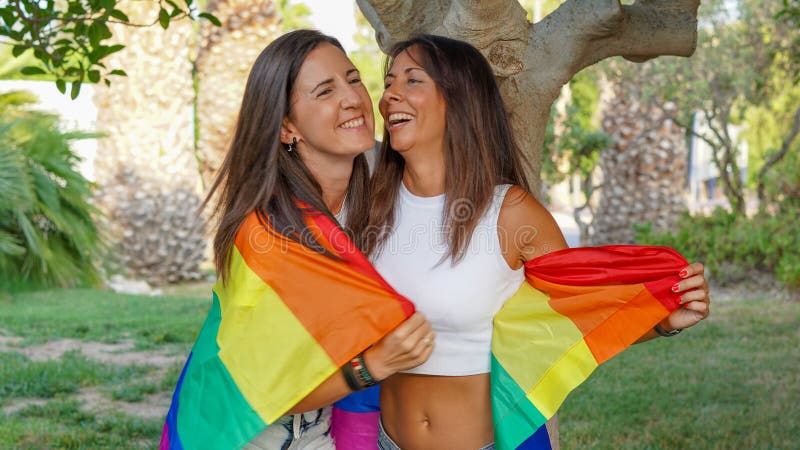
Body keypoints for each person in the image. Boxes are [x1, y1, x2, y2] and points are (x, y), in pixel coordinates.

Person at [352, 34, 711, 450]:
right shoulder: (370, 204)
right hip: (386, 442)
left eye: (412, 81)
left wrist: (664, 322)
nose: (388, 96)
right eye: (389, 83)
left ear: (460, 100)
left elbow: (579, 315)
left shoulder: (511, 213)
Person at [161, 30, 434, 450]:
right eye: (325, 91)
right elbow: (262, 385)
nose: (352, 99)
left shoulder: (376, 193)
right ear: (287, 127)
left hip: (320, 430)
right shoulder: (266, 233)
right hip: (248, 434)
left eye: (354, 79)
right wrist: (371, 366)